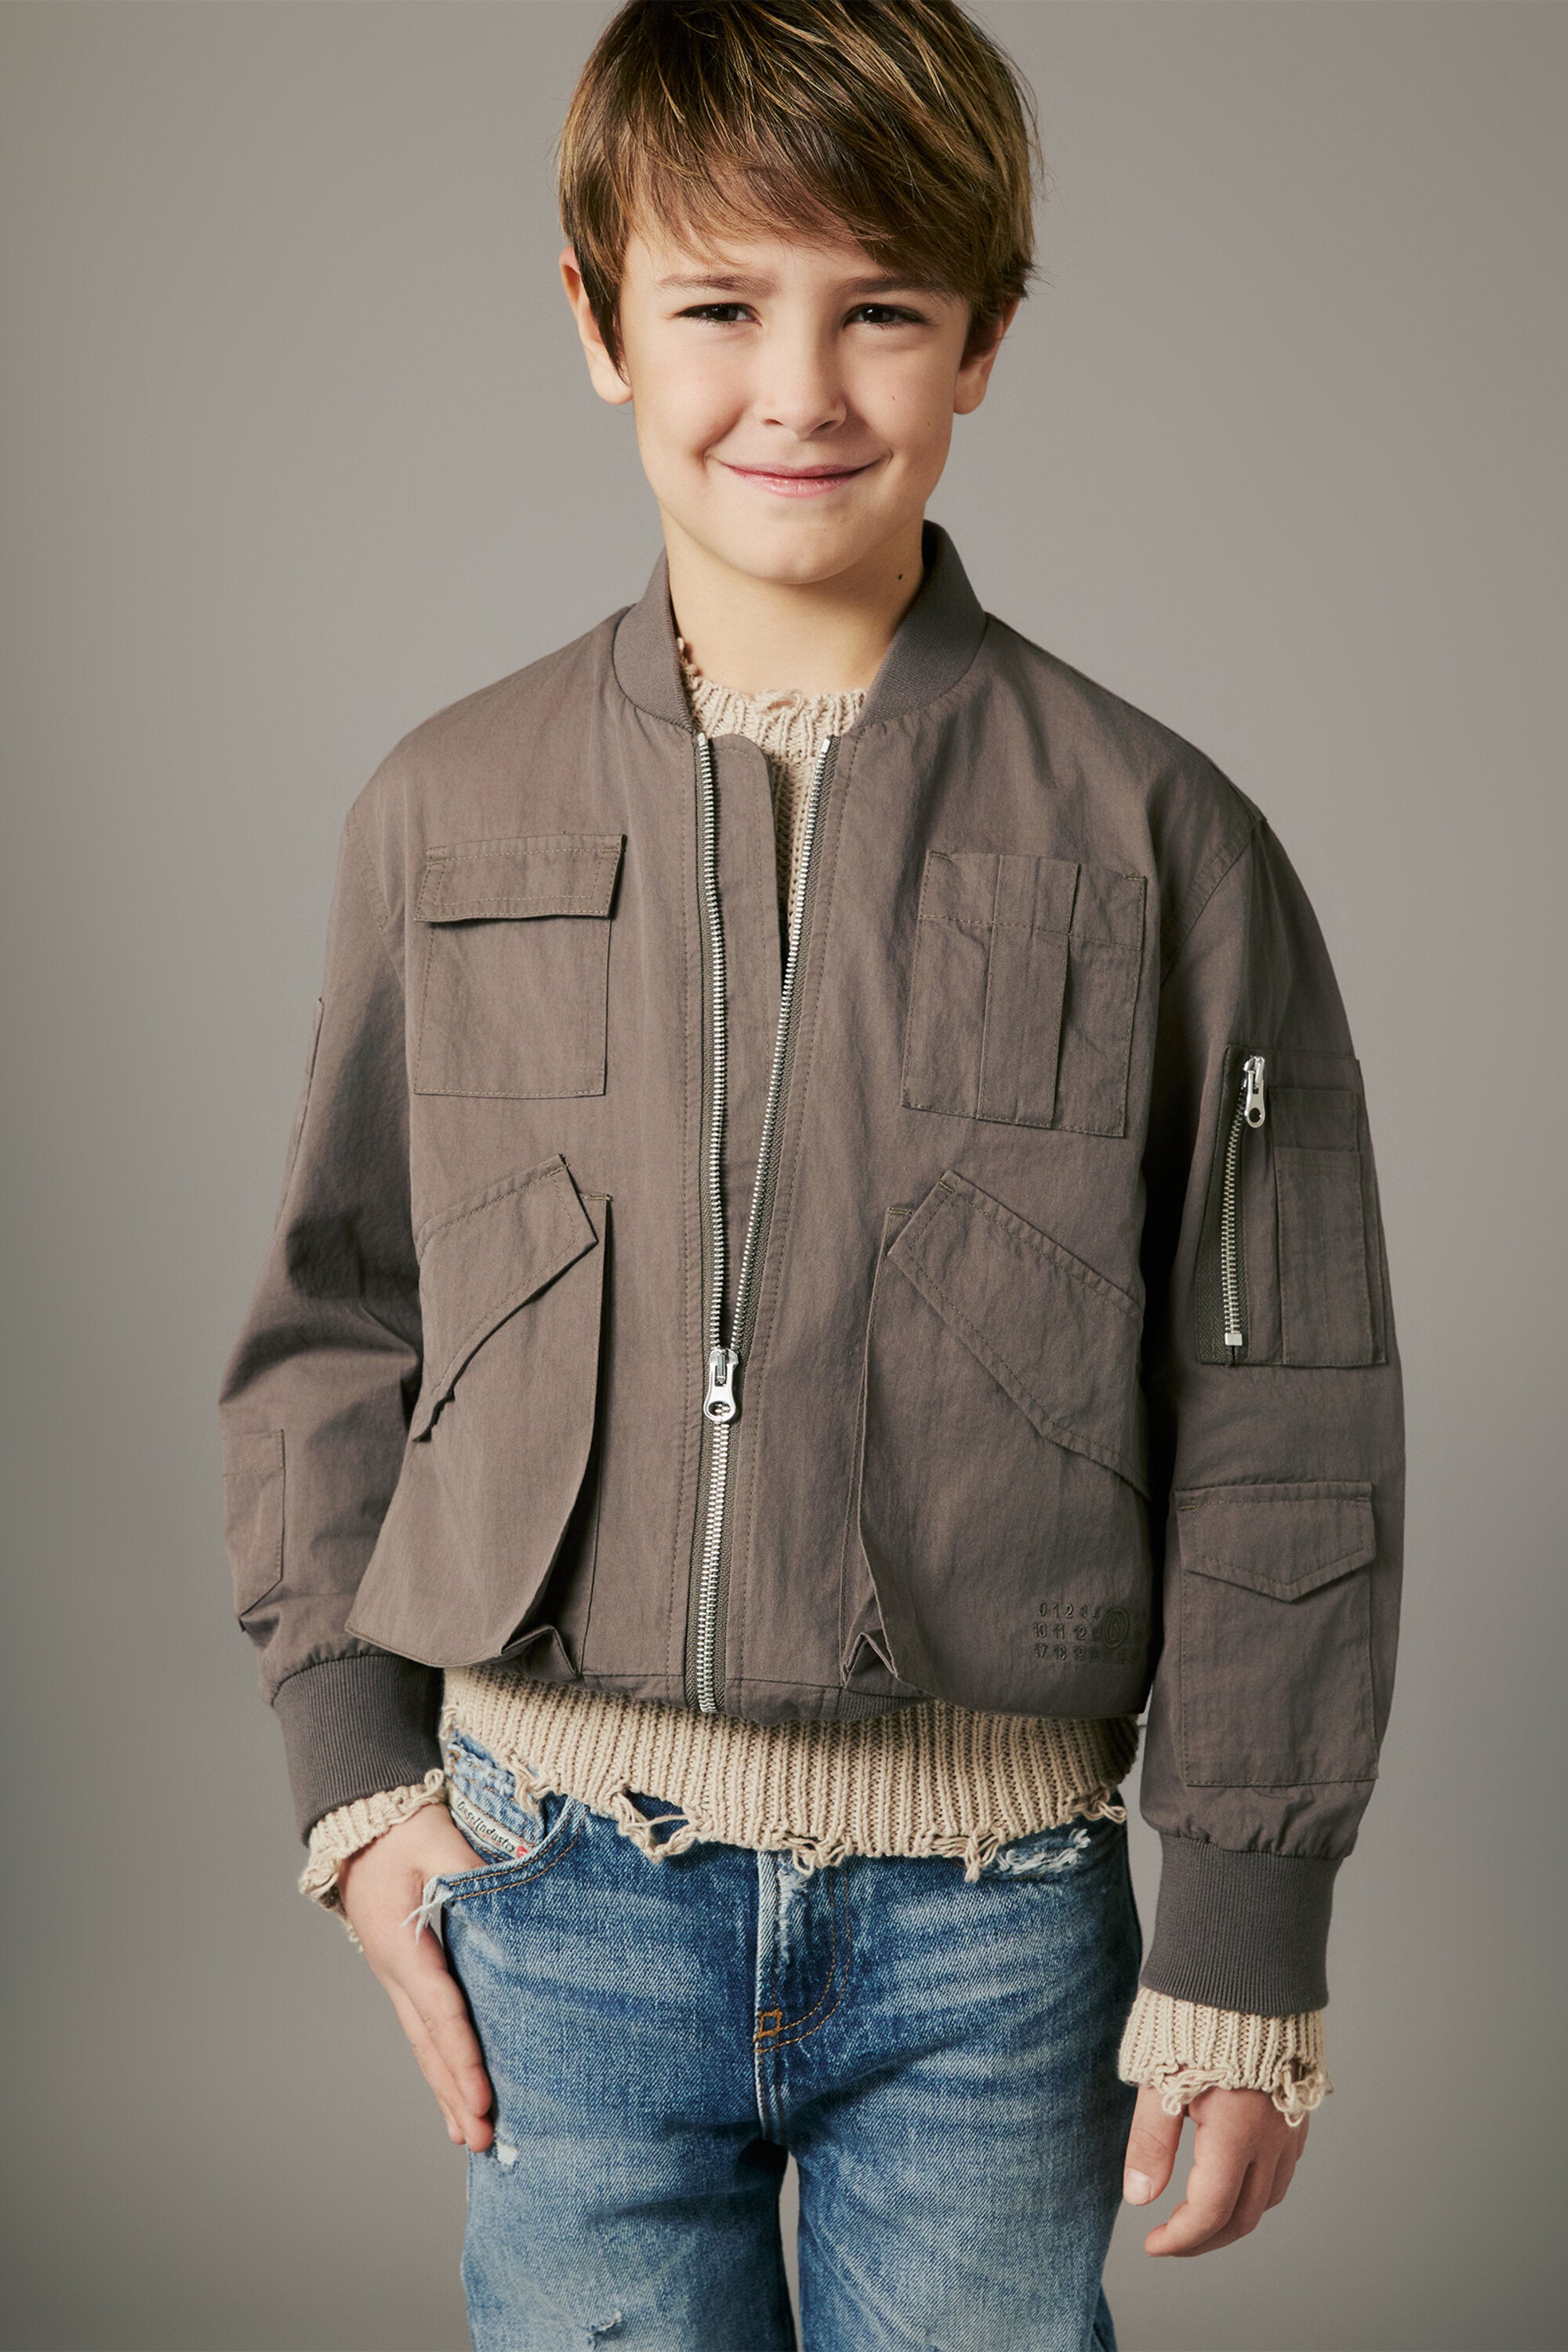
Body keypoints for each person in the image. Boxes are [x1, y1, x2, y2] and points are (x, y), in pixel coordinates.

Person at [218, 3, 1404, 2344]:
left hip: (992, 1925)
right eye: (717, 305)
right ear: (596, 322)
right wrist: (357, 1787)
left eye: (881, 309)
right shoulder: (445, 809)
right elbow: (336, 1320)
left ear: (985, 341)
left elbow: (1285, 1403)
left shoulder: (1160, 840)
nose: (799, 388)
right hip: (556, 1893)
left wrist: (1247, 1931)